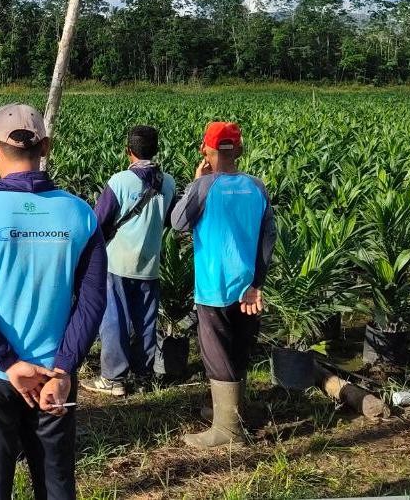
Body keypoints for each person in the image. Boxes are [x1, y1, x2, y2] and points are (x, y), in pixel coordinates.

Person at [0, 103, 107, 500]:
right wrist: (66, 367)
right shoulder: (80, 214)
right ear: (45, 147)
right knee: (55, 486)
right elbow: (92, 302)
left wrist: (8, 362)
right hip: (55, 376)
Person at [170, 121, 275, 449]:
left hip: (215, 285)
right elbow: (268, 236)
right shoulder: (257, 186)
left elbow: (177, 223)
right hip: (247, 287)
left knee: (217, 353)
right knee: (238, 349)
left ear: (206, 150)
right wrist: (257, 282)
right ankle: (231, 413)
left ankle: (228, 432)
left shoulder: (204, 188)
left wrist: (195, 182)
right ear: (239, 151)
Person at [84, 125, 176, 396]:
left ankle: (114, 379)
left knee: (114, 319)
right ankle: (144, 376)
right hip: (150, 263)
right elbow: (170, 219)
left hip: (118, 262)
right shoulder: (168, 182)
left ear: (129, 152)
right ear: (156, 150)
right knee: (147, 320)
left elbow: (99, 221)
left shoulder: (120, 181)